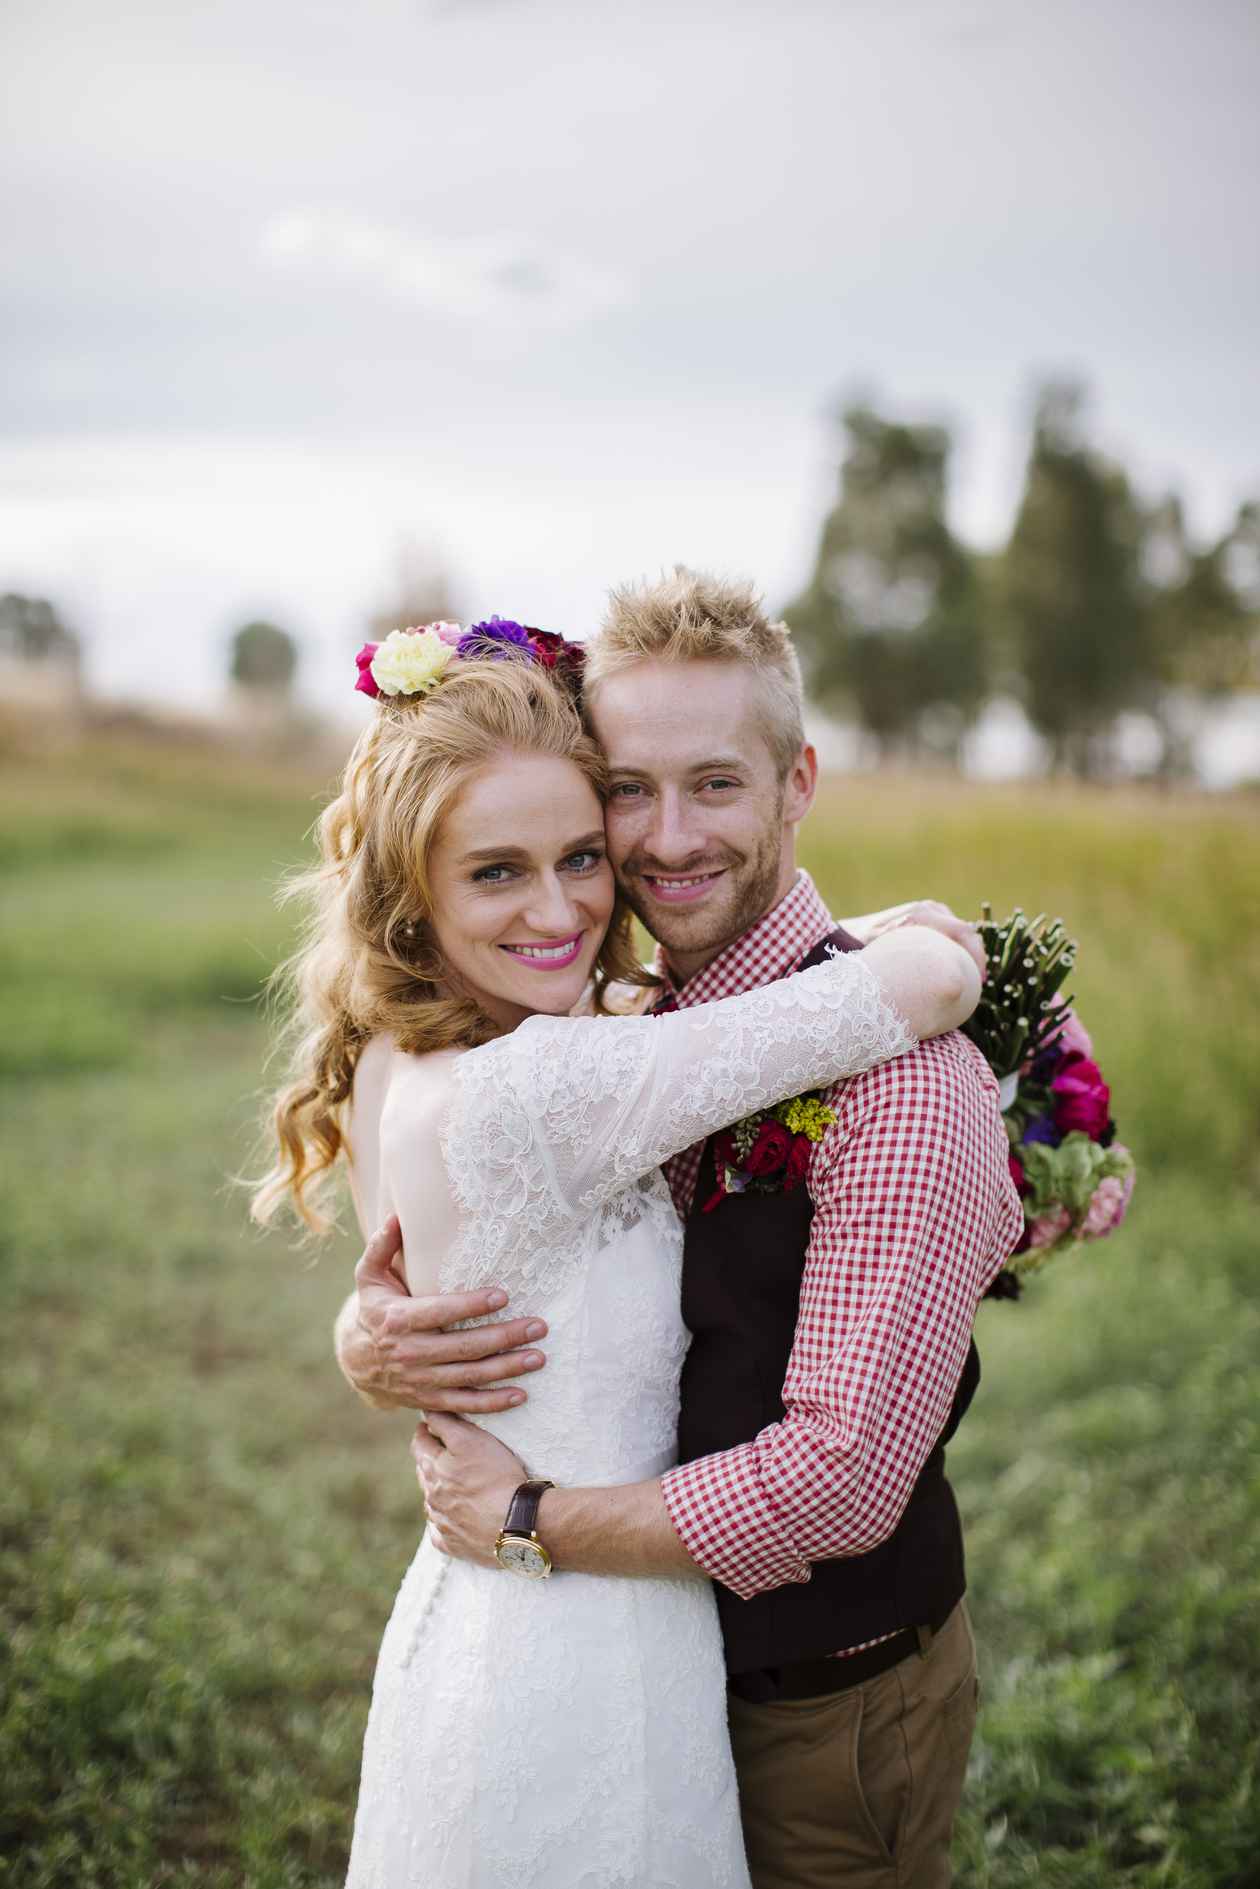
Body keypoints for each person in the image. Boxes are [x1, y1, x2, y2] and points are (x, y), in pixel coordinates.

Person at [254, 620, 985, 1889]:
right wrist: (935, 942)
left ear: (795, 780)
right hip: (589, 1642)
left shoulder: (416, 1050)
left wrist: (372, 1346)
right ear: (409, 893)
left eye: (580, 855)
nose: (565, 909)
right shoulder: (543, 1079)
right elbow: (908, 989)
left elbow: (703, 1019)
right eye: (496, 873)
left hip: (502, 1615)